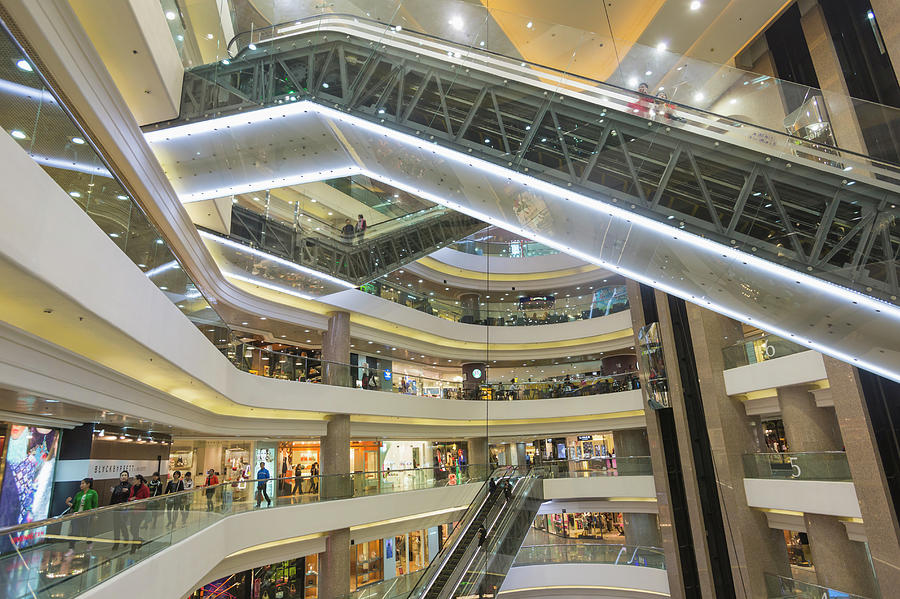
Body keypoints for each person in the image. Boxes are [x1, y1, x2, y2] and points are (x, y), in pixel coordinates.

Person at [65, 477, 98, 554]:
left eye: (83, 483)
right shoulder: (78, 494)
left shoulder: (93, 493)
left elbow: (95, 505)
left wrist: (95, 515)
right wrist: (67, 502)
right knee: (74, 531)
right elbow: (74, 506)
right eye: (81, 483)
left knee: (86, 531)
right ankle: (71, 548)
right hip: (77, 515)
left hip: (87, 515)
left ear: (88, 484)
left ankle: (90, 543)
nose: (81, 485)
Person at [127, 474, 150, 552]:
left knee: (135, 528)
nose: (133, 481)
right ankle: (139, 541)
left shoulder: (145, 488)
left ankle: (133, 548)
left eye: (134, 479)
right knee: (132, 529)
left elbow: (147, 499)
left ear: (139, 480)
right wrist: (130, 499)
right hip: (133, 510)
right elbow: (130, 496)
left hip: (140, 511)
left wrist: (136, 498)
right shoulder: (133, 487)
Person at [110, 470, 132, 550]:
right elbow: (112, 498)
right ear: (120, 477)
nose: (123, 476)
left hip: (124, 510)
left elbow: (130, 497)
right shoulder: (117, 487)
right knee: (116, 526)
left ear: (128, 477)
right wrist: (110, 507)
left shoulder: (130, 486)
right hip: (116, 509)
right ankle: (116, 543)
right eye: (122, 475)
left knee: (123, 525)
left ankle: (126, 538)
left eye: (125, 475)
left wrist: (127, 492)